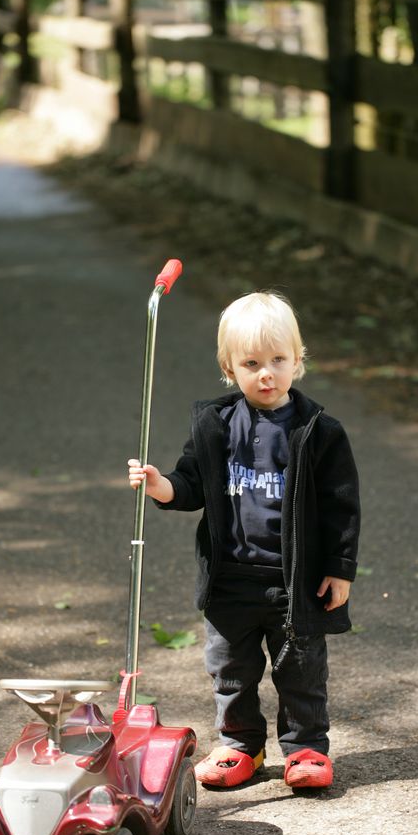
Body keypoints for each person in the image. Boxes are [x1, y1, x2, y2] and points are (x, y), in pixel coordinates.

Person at [128, 291, 360, 790]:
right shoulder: (217, 426)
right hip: (231, 578)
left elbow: (342, 507)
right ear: (229, 369)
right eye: (252, 363)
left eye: (278, 360)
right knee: (230, 669)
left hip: (294, 582)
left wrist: (339, 569)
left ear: (298, 361)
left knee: (301, 670)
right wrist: (160, 484)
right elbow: (191, 483)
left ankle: (306, 750)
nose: (267, 373)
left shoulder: (319, 432)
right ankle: (241, 747)